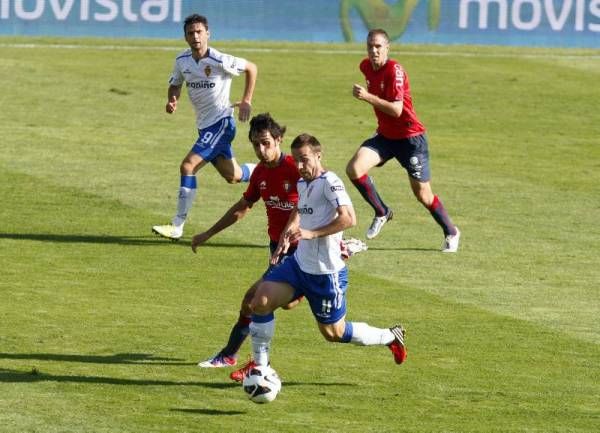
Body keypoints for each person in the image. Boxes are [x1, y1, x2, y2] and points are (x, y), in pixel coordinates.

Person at [191, 114, 367, 382]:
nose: (261, 151)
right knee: (284, 305)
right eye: (255, 145)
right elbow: (243, 208)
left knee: (254, 301)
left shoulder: (296, 167)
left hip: (302, 249)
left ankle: (238, 357)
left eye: (265, 143)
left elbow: (320, 197)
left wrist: (301, 231)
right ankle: (339, 254)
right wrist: (208, 233)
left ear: (278, 140)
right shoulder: (261, 173)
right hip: (279, 247)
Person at [247, 133, 407, 377]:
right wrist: (286, 235)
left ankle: (389, 336)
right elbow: (301, 209)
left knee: (334, 333)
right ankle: (260, 369)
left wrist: (311, 233)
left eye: (305, 160)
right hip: (299, 265)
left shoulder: (330, 181)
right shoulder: (303, 183)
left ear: (318, 156)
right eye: (297, 161)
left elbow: (349, 218)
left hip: (325, 273)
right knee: (259, 302)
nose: (300, 167)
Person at [347, 28, 460, 252]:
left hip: (410, 139)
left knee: (423, 195)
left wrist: (367, 97)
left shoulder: (395, 70)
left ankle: (451, 231)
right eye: (370, 46)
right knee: (354, 168)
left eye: (378, 46)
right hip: (386, 137)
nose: (373, 50)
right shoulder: (366, 67)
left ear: (388, 48)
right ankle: (382, 212)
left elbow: (397, 110)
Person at [152, 14, 258, 241]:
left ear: (208, 34)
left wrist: (246, 100)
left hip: (221, 124)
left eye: (199, 32)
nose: (195, 37)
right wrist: (173, 100)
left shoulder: (220, 60)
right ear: (185, 37)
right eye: (191, 33)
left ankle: (177, 226)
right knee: (233, 176)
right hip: (205, 127)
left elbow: (251, 68)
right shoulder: (182, 61)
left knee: (188, 166)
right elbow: (175, 84)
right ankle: (264, 170)